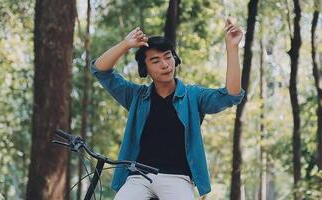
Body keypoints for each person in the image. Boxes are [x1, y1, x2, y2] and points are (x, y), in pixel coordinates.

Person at [90, 19, 245, 200]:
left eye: (168, 56)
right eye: (155, 60)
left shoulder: (193, 96)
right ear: (144, 69)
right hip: (137, 177)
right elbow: (100, 70)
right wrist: (126, 44)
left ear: (175, 59)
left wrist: (232, 47)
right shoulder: (136, 97)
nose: (165, 64)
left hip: (177, 178)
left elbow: (231, 95)